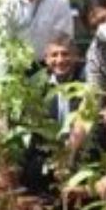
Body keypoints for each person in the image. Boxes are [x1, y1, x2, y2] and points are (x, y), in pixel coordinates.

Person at [20, 34, 87, 199]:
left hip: (79, 151)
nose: (60, 60)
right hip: (48, 152)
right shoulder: (36, 86)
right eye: (54, 55)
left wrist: (69, 154)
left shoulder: (85, 83)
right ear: (46, 59)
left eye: (65, 54)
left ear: (76, 56)